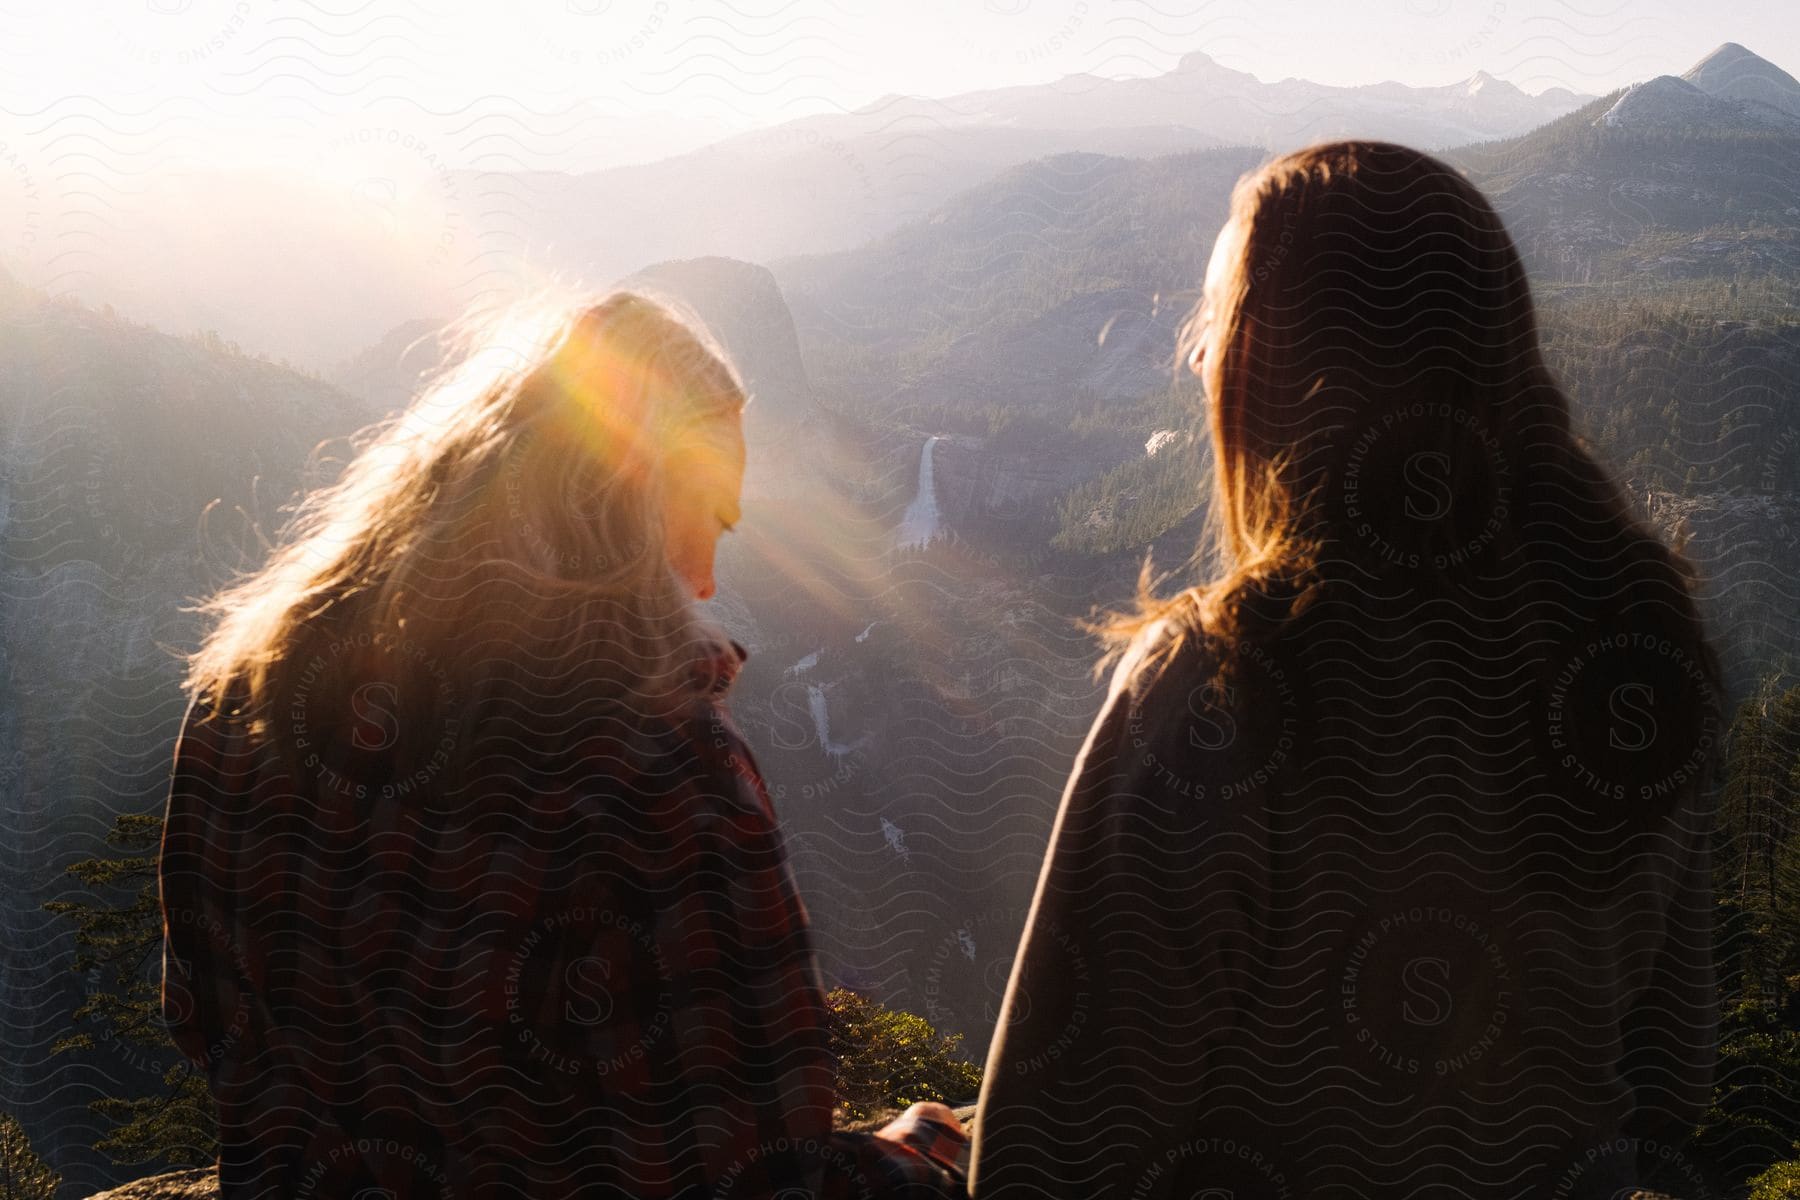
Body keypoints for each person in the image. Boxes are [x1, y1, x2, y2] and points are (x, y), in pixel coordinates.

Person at [968, 141, 1724, 1199]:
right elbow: (1673, 1078)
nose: (1196, 355)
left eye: (1219, 320)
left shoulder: (1220, 686)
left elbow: (1043, 1161)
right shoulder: (1642, 655)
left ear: (1281, 366)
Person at [160, 293, 968, 1198]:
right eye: (704, 513)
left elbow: (199, 1021)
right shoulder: (658, 779)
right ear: (621, 502)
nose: (705, 575)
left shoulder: (245, 694)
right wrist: (914, 1154)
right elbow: (756, 1173)